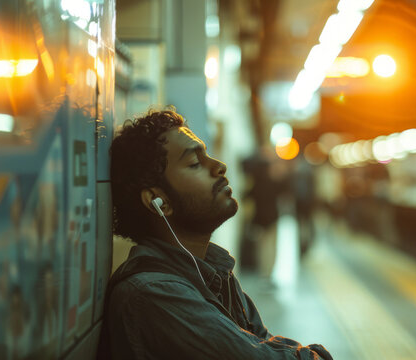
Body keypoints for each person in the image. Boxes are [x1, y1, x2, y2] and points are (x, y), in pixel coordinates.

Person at [99, 109, 332, 360]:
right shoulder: (154, 294)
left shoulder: (214, 270)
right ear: (159, 201)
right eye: (194, 163)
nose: (219, 166)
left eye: (207, 155)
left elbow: (261, 343)